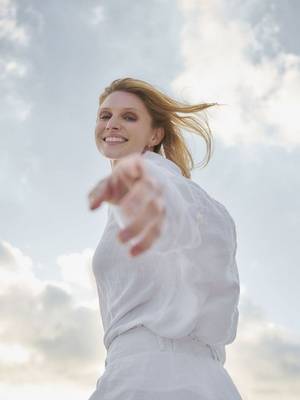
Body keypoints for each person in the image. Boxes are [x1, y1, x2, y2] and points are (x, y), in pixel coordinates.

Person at [87, 77, 243, 399]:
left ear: (155, 134)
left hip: (158, 377)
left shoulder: (149, 174)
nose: (112, 123)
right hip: (148, 370)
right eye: (105, 115)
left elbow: (210, 226)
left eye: (129, 117)